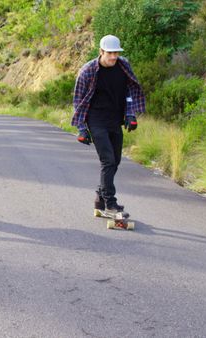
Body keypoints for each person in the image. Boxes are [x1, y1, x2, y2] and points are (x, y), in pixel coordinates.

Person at [71, 34, 146, 214]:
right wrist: (82, 128)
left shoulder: (123, 65)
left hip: (114, 119)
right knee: (108, 160)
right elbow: (78, 100)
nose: (113, 57)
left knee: (116, 161)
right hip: (96, 120)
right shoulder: (88, 71)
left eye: (116, 53)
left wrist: (130, 114)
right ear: (101, 52)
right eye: (110, 53)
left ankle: (99, 198)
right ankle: (110, 203)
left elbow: (129, 90)